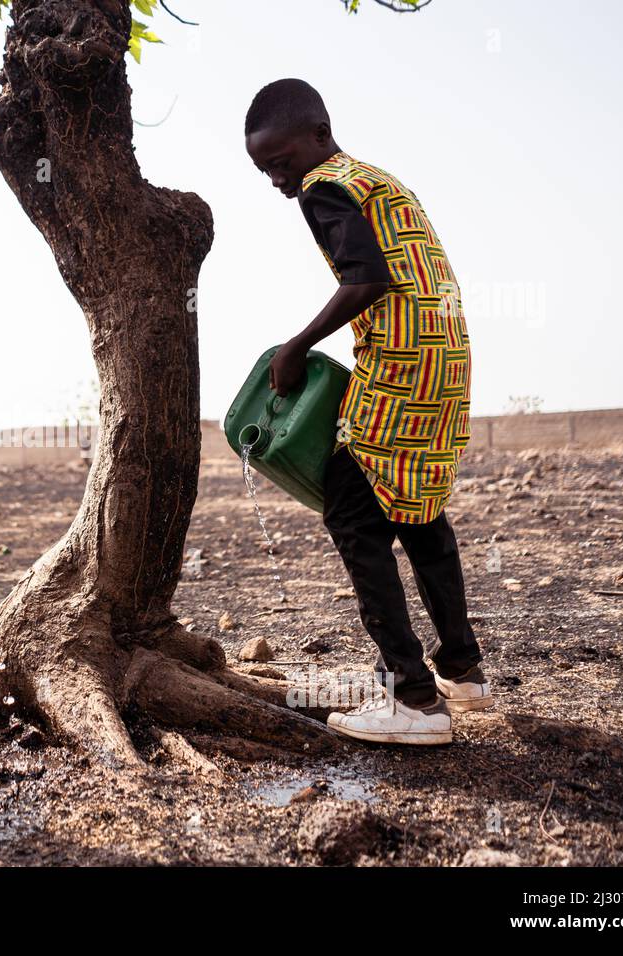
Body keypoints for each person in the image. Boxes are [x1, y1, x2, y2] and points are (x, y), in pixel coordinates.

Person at [244, 79, 491, 746]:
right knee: (417, 511)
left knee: (353, 513)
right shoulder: (379, 180)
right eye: (265, 170)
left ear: (318, 137)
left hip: (399, 373)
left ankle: (412, 699)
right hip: (445, 364)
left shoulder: (325, 184)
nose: (277, 179)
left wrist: (296, 346)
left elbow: (367, 278)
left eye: (280, 162)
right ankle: (462, 670)